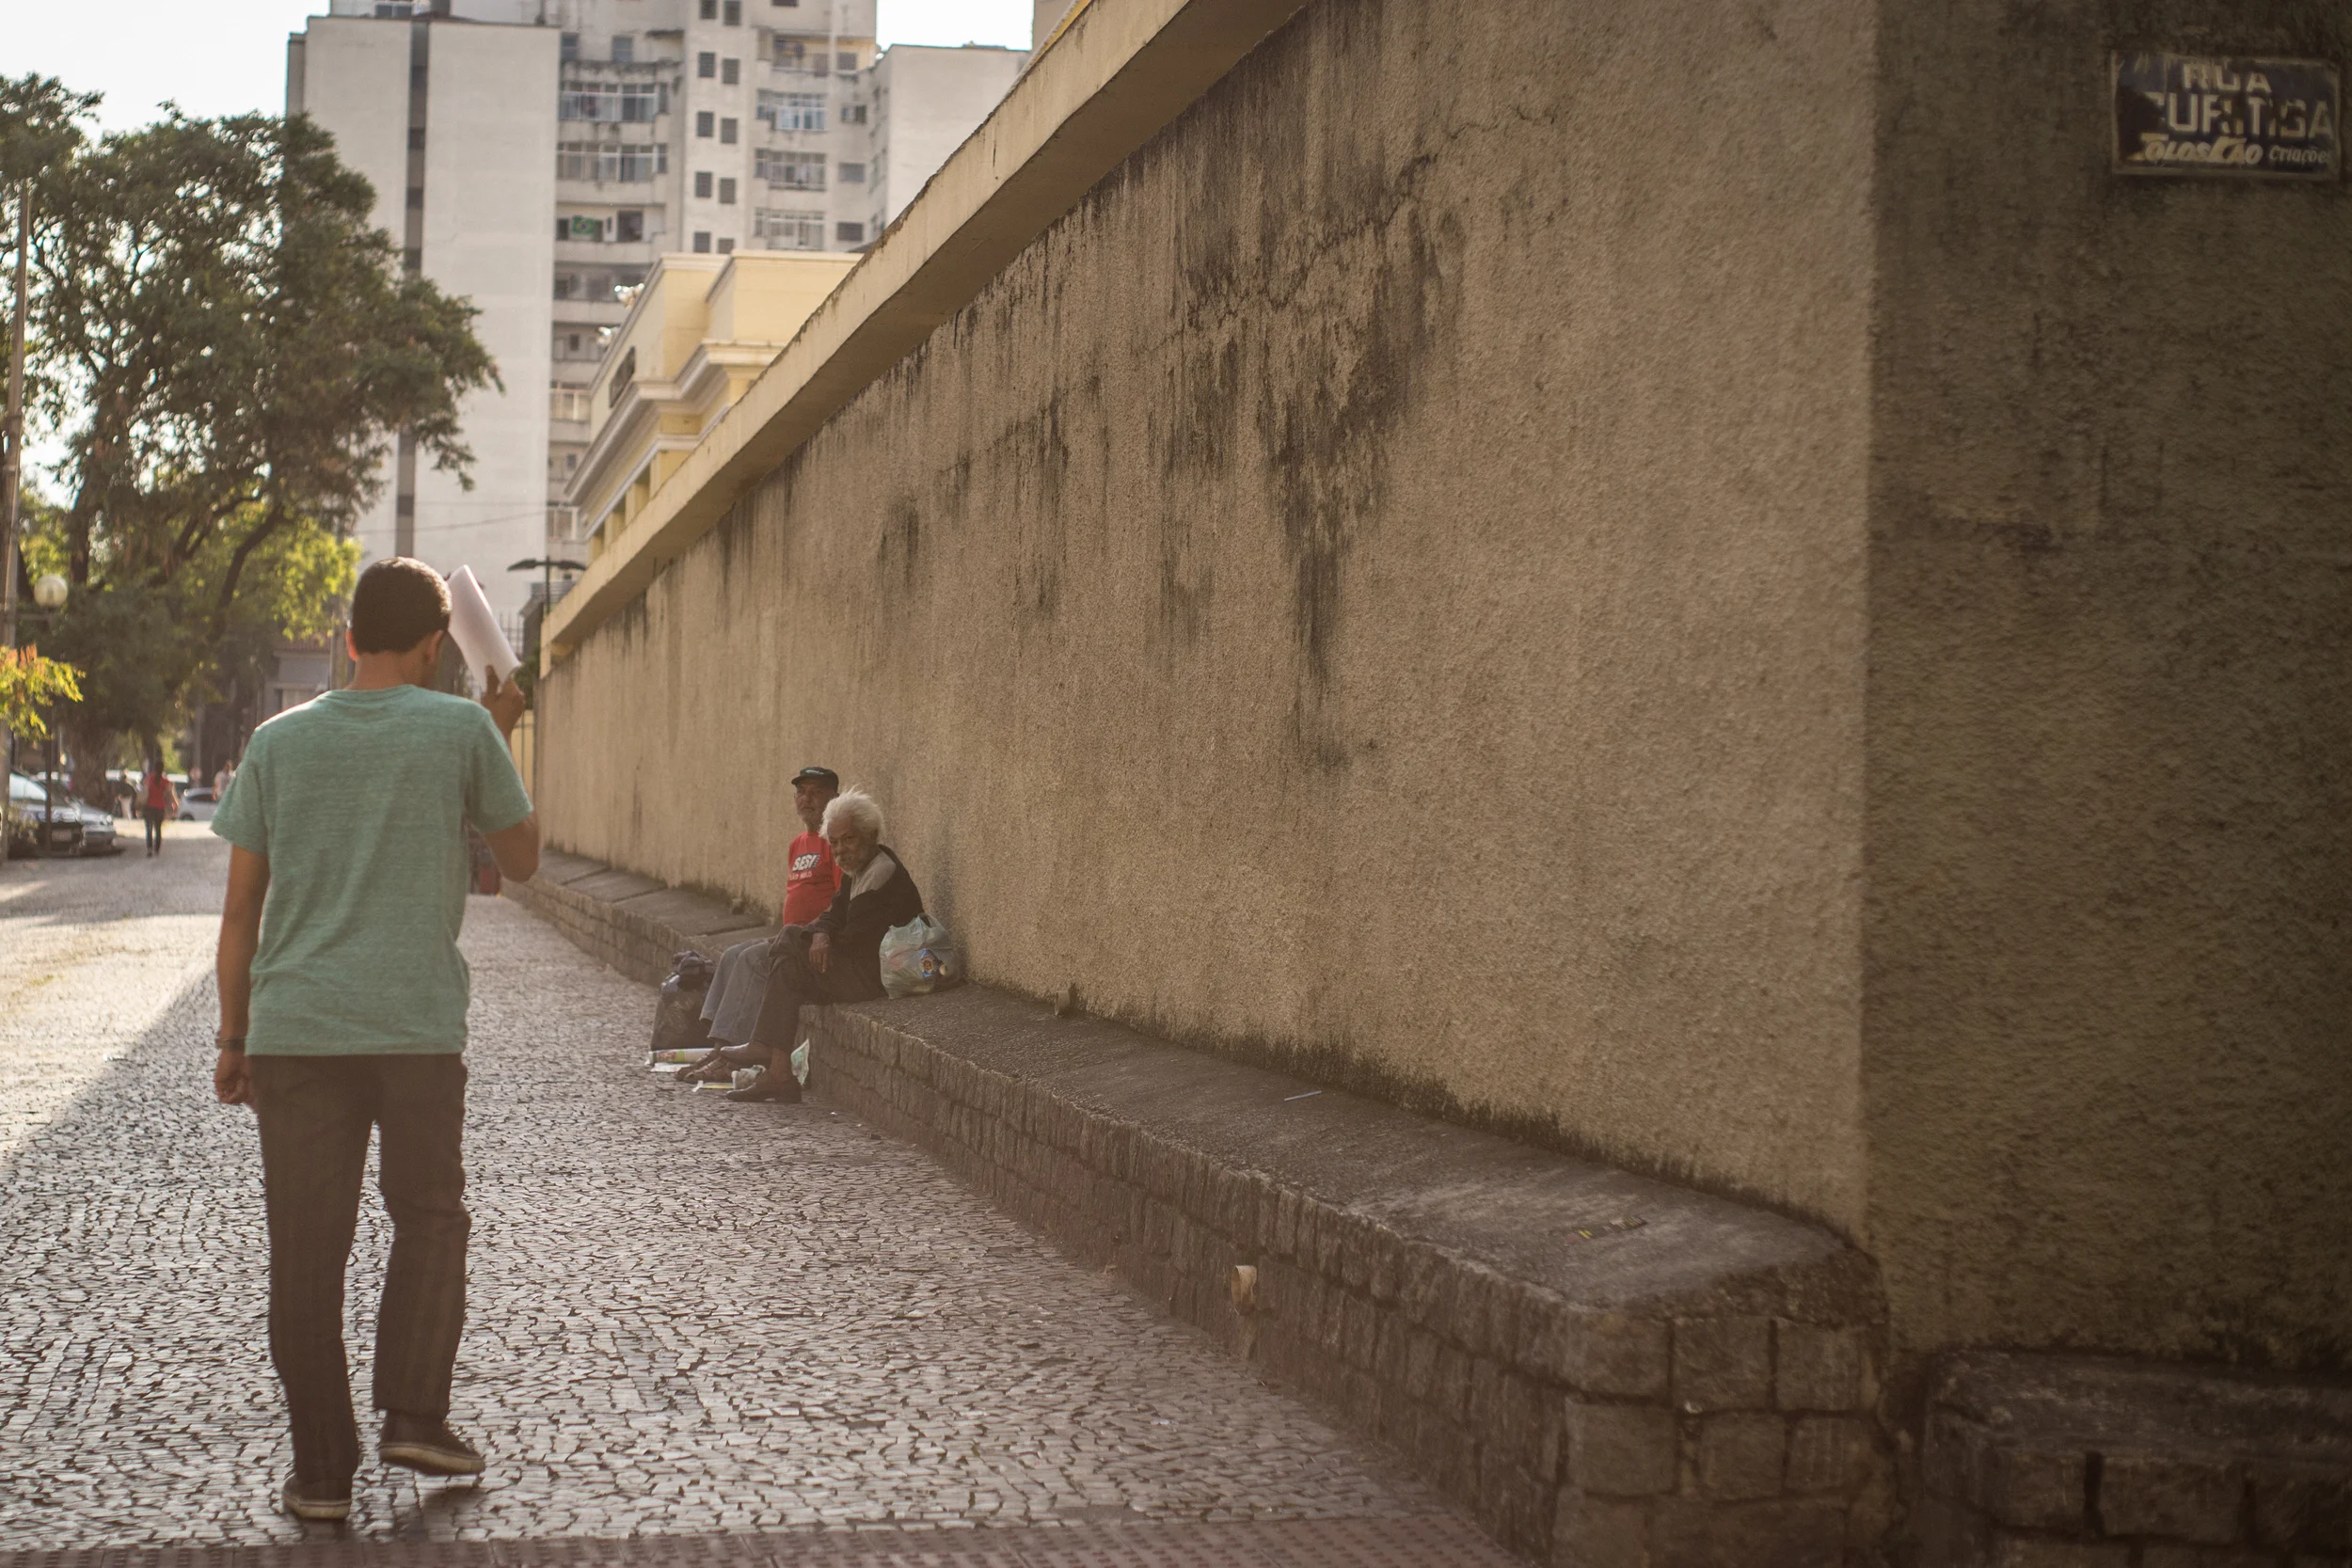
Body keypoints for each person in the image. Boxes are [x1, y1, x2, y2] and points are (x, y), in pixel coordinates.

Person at [209, 558, 538, 1524]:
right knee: (430, 1215)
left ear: (349, 637)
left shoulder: (277, 742)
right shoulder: (463, 727)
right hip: (415, 1029)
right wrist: (501, 732)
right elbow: (519, 858)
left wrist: (235, 1035)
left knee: (306, 1254)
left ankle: (319, 1471)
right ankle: (415, 1412)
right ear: (438, 644)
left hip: (296, 1029)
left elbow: (239, 914)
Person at [717, 787, 922, 1104]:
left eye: (848, 840)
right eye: (835, 843)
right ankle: (780, 1075)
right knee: (787, 967)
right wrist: (820, 934)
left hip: (876, 977)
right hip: (860, 967)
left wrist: (816, 936)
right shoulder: (858, 871)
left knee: (789, 941)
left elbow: (854, 939)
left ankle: (765, 1049)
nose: (840, 851)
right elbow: (832, 914)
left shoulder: (881, 873)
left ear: (869, 836)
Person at [676, 767, 843, 1088]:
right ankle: (719, 1049)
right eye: (801, 792)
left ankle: (733, 1057)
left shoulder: (833, 843)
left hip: (808, 944)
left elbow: (838, 902)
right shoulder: (798, 844)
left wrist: (808, 934)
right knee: (732, 955)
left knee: (753, 961)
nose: (806, 799)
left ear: (834, 798)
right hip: (789, 937)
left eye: (816, 792)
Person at [138, 759, 177, 857]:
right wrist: (175, 805)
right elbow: (170, 796)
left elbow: (143, 792)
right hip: (160, 808)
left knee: (149, 829)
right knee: (158, 830)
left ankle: (149, 849)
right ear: (163, 769)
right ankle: (157, 850)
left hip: (148, 807)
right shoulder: (165, 782)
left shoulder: (148, 779)